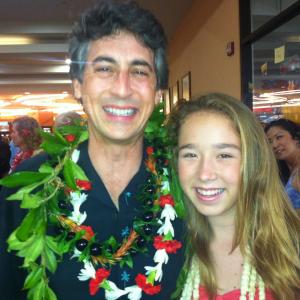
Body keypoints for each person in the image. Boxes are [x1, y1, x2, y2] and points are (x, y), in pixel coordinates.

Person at [0, 1, 184, 300]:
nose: (122, 88)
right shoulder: (27, 189)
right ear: (78, 86)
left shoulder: (186, 183)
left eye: (139, 71)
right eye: (105, 68)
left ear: (158, 93)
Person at [167, 93, 300, 299]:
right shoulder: (171, 251)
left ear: (252, 160)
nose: (204, 173)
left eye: (224, 155)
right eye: (190, 155)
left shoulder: (292, 245)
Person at [265, 119, 300, 213]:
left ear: (296, 138)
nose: (275, 145)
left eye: (279, 137)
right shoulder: (287, 170)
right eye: (270, 142)